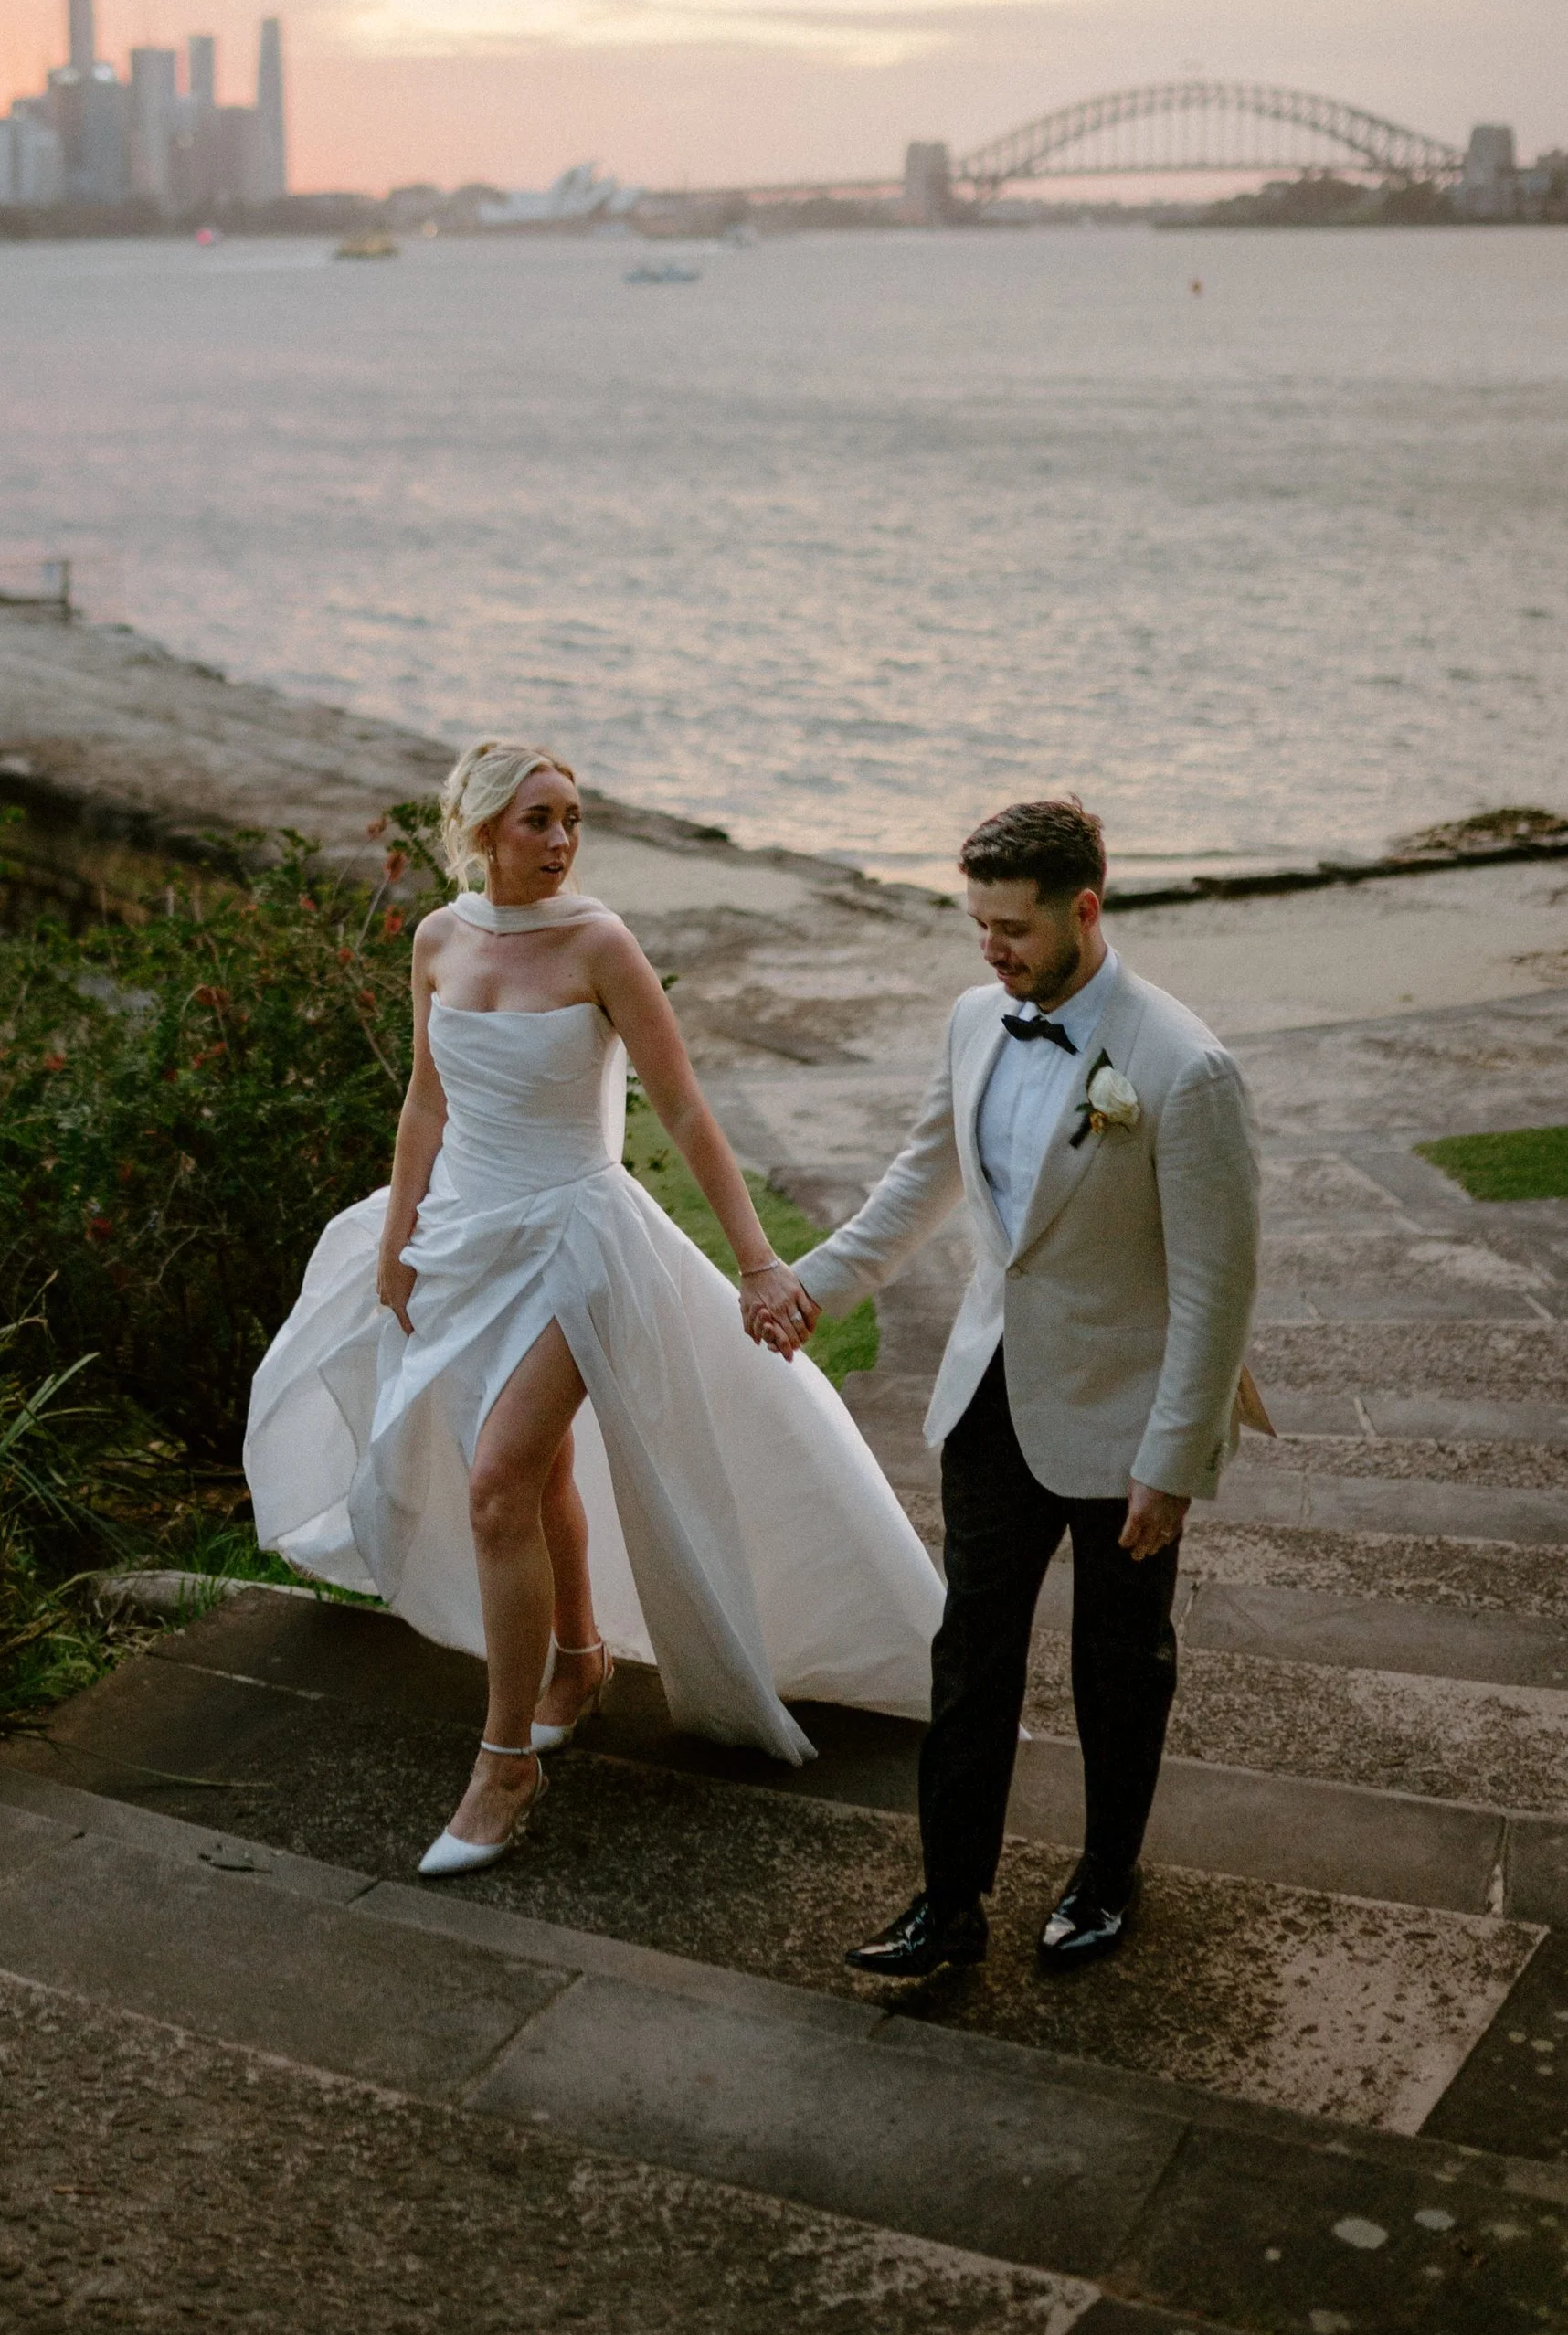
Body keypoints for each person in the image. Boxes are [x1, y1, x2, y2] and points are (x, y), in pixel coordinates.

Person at [244, 740, 943, 1879]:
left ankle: (503, 1761)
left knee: (494, 1485)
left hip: (576, 1238)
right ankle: (577, 1658)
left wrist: (761, 1265)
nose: (562, 840)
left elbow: (686, 1113)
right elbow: (425, 1100)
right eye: (538, 820)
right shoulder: (436, 940)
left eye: (573, 818)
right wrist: (396, 1239)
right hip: (464, 1238)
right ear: (477, 831)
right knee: (543, 1478)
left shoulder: (601, 944)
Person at [791, 797, 1259, 1980]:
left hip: (1125, 1419)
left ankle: (1106, 1875)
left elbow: (1216, 1290)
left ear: (1084, 910)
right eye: (978, 925)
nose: (990, 949)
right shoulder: (973, 1020)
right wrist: (811, 1288)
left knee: (1119, 1663)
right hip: (990, 1399)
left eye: (1011, 927)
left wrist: (1173, 1462)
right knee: (970, 1657)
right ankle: (949, 1901)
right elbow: (919, 1178)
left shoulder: (1183, 1066)